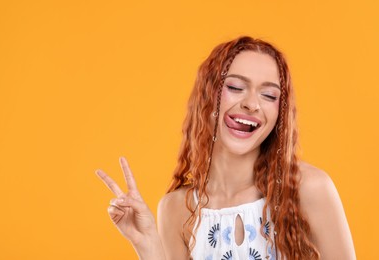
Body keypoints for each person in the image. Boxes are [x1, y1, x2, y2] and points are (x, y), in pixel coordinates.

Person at [96, 36, 356, 259]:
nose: (252, 104)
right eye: (235, 87)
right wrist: (147, 246)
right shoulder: (176, 209)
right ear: (208, 95)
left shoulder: (307, 188)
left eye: (269, 95)